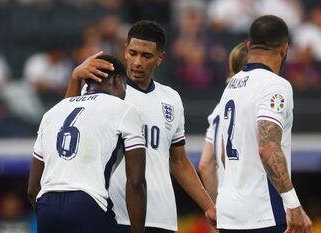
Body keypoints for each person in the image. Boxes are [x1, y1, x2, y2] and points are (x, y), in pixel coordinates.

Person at [66, 20, 216, 233]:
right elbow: (65, 118)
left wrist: (209, 206)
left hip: (162, 218)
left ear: (160, 58)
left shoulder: (171, 98)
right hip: (113, 215)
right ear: (125, 50)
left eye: (146, 56)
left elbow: (179, 161)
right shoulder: (104, 89)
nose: (137, 62)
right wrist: (75, 78)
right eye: (133, 53)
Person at [27, 55, 147, 233]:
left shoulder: (52, 113)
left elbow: (32, 188)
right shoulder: (125, 109)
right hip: (87, 203)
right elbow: (136, 181)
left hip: (46, 206)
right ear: (118, 80)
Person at [216, 15, 312, 233]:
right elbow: (268, 148)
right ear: (284, 49)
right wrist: (293, 203)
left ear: (249, 46)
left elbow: (223, 155)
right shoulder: (275, 86)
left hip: (229, 215)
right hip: (263, 215)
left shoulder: (230, 87)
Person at [199, 41, 248, 202]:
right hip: (253, 205)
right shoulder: (252, 102)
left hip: (226, 206)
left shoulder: (218, 109)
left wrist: (217, 208)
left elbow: (205, 165)